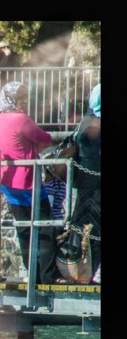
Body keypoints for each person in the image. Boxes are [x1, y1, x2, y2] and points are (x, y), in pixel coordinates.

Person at [0, 81, 57, 284]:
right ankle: (47, 276)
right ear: (13, 99)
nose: (25, 101)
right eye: (21, 97)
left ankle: (32, 274)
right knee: (46, 226)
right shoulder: (21, 119)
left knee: (23, 229)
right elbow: (44, 138)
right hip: (28, 182)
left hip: (8, 181)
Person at [66, 83, 100, 282]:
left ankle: (81, 269)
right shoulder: (92, 124)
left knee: (81, 226)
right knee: (86, 227)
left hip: (88, 183)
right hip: (92, 184)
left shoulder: (87, 120)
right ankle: (77, 269)